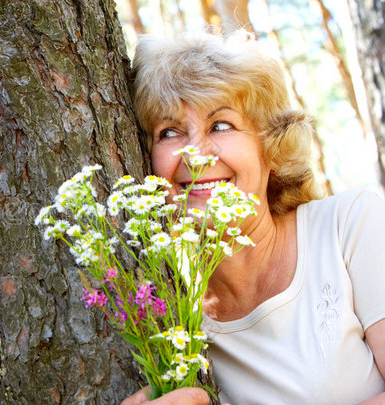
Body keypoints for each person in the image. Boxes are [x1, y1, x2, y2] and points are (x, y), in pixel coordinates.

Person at [123, 30, 385, 404]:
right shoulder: (166, 312)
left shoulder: (350, 225)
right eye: (170, 132)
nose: (196, 154)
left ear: (272, 148)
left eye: (221, 125)